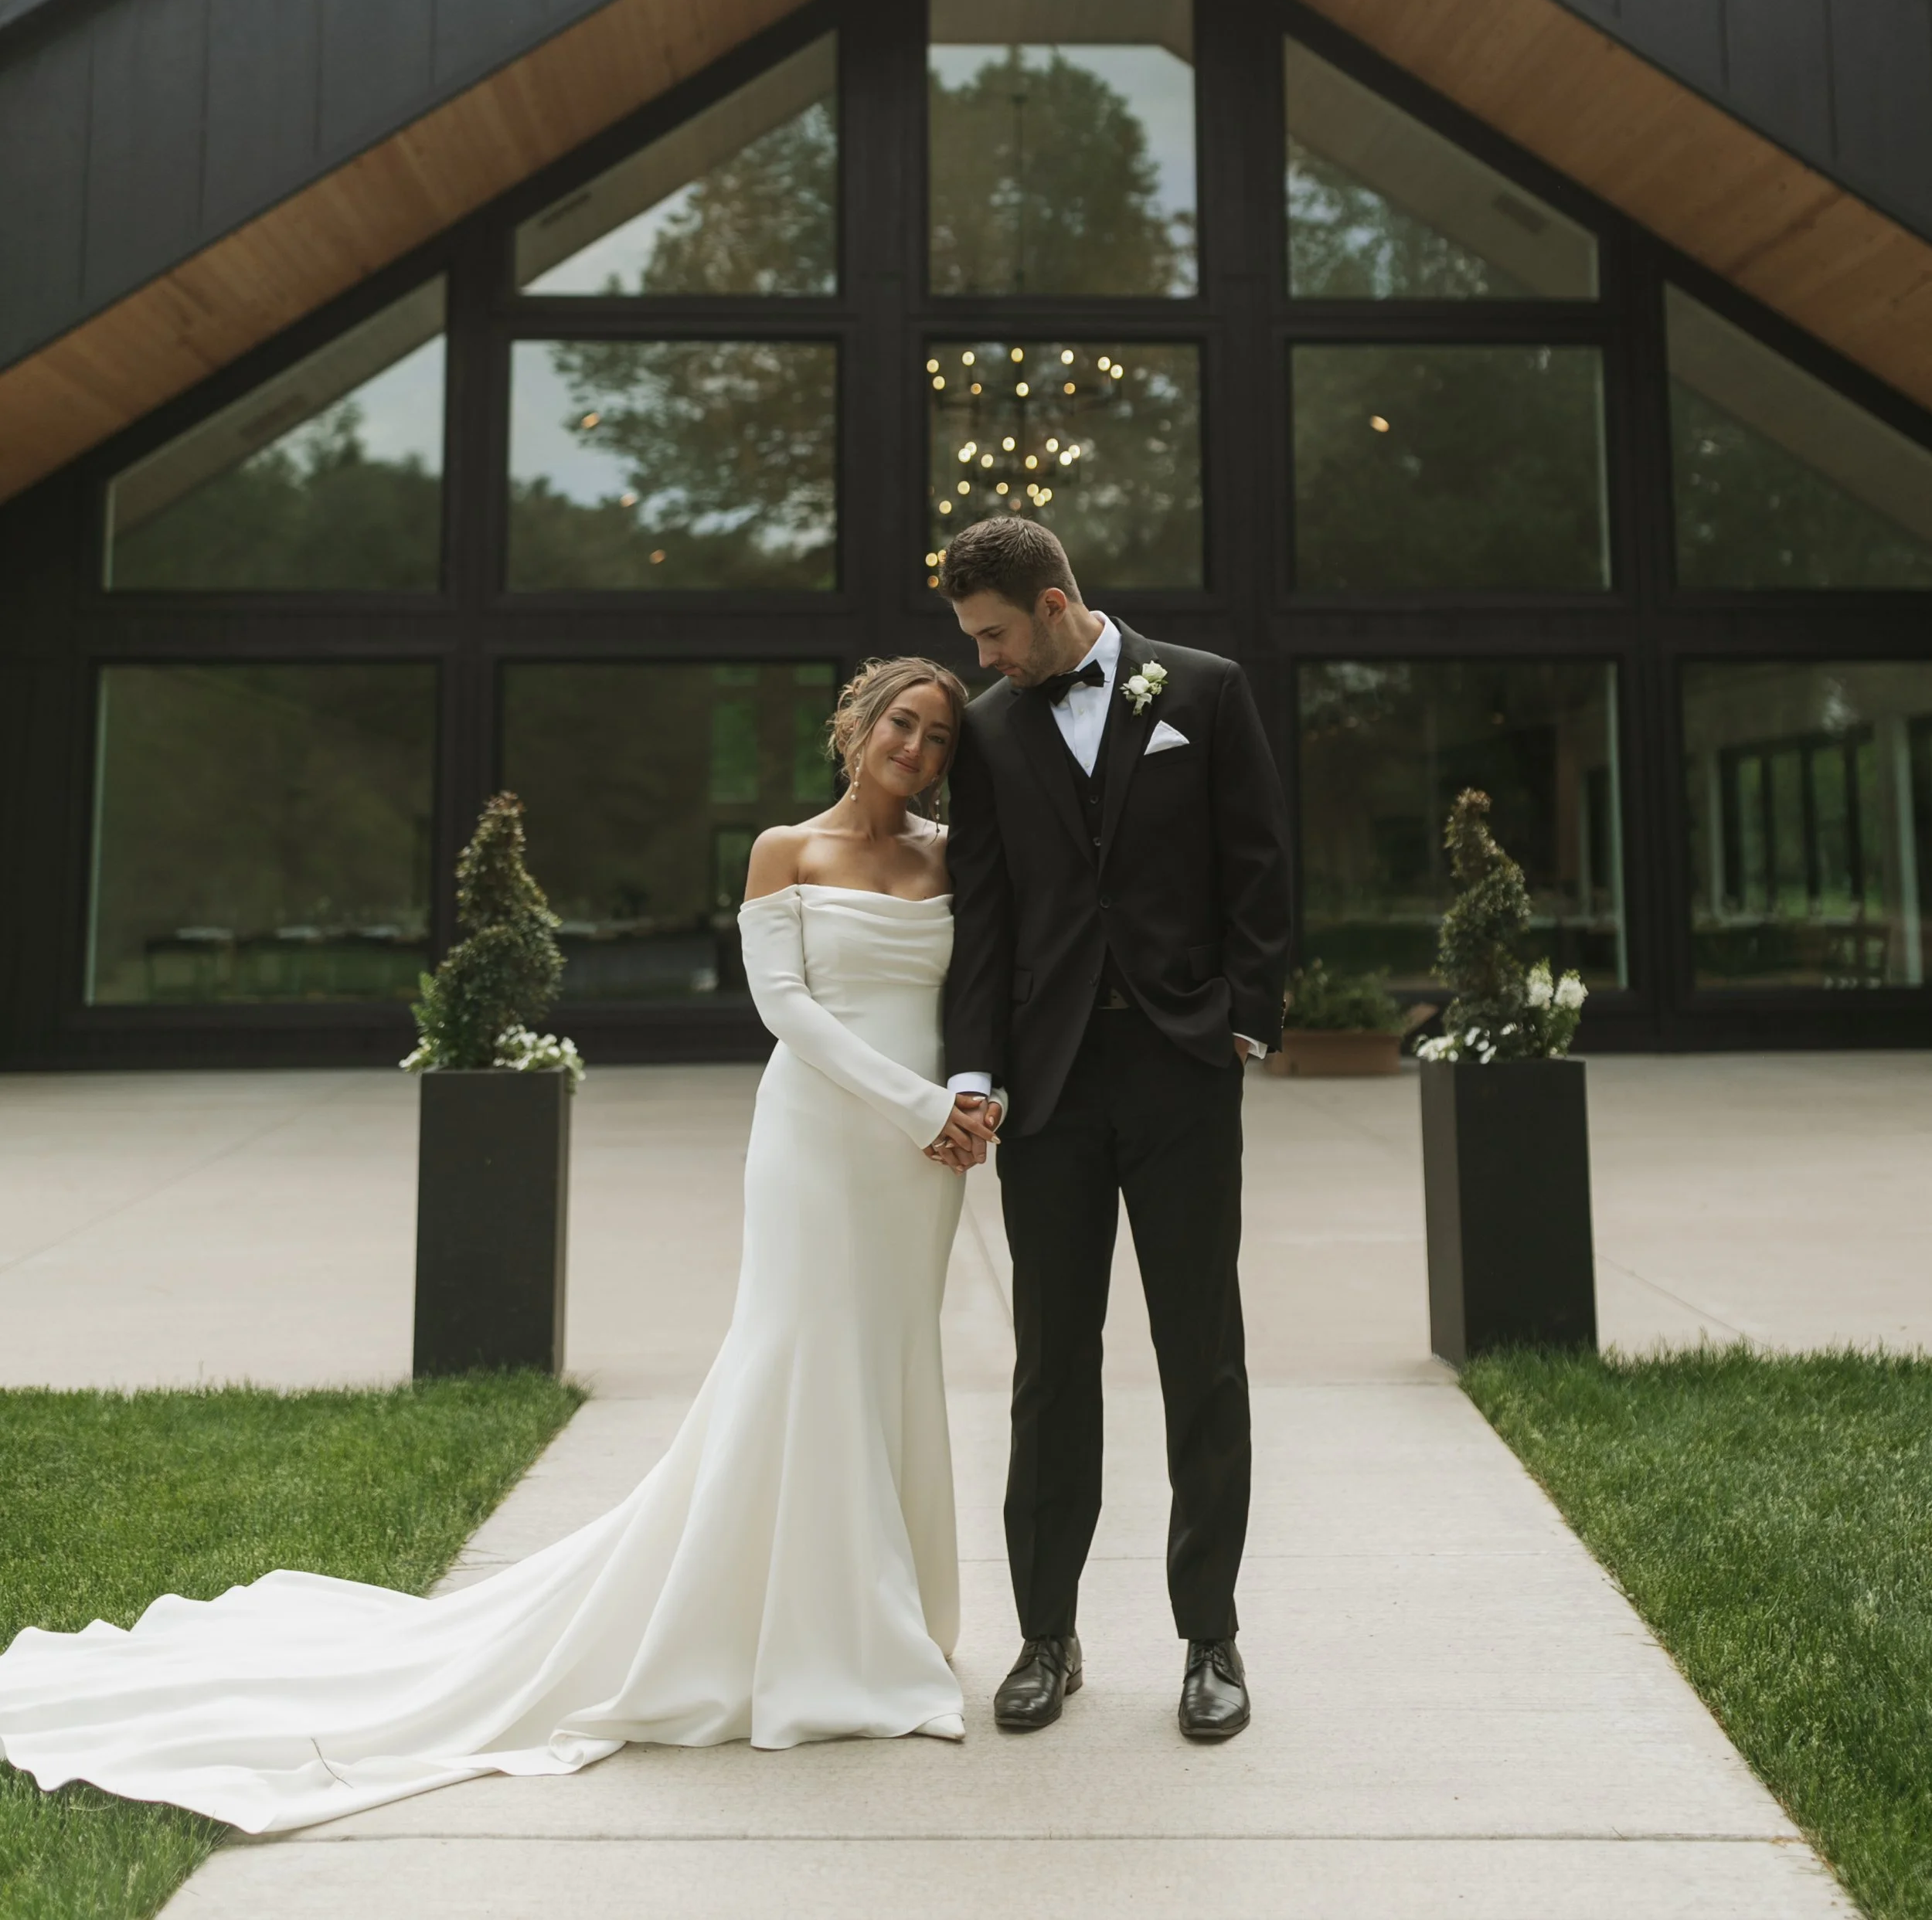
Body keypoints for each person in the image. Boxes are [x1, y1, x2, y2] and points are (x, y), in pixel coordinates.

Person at [0, 659, 996, 1833]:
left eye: (937, 738)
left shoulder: (949, 854)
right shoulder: (785, 848)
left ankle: (880, 1617)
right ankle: (821, 1637)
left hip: (924, 1160)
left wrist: (966, 1102)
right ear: (857, 724)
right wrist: (915, 1103)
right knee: (800, 1356)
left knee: (888, 1363)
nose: (917, 750)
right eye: (902, 724)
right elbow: (786, 1010)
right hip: (826, 1141)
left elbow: (979, 990)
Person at [938, 516, 1291, 1744]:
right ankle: (1047, 1631)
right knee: (1052, 1359)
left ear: (1050, 601)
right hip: (1048, 1087)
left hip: (1182, 1068)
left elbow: (1258, 865)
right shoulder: (986, 735)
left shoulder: (1204, 690)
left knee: (1203, 1351)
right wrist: (976, 1069)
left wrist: (1245, 1019)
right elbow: (983, 913)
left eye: (993, 634)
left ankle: (1211, 1635)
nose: (983, 661)